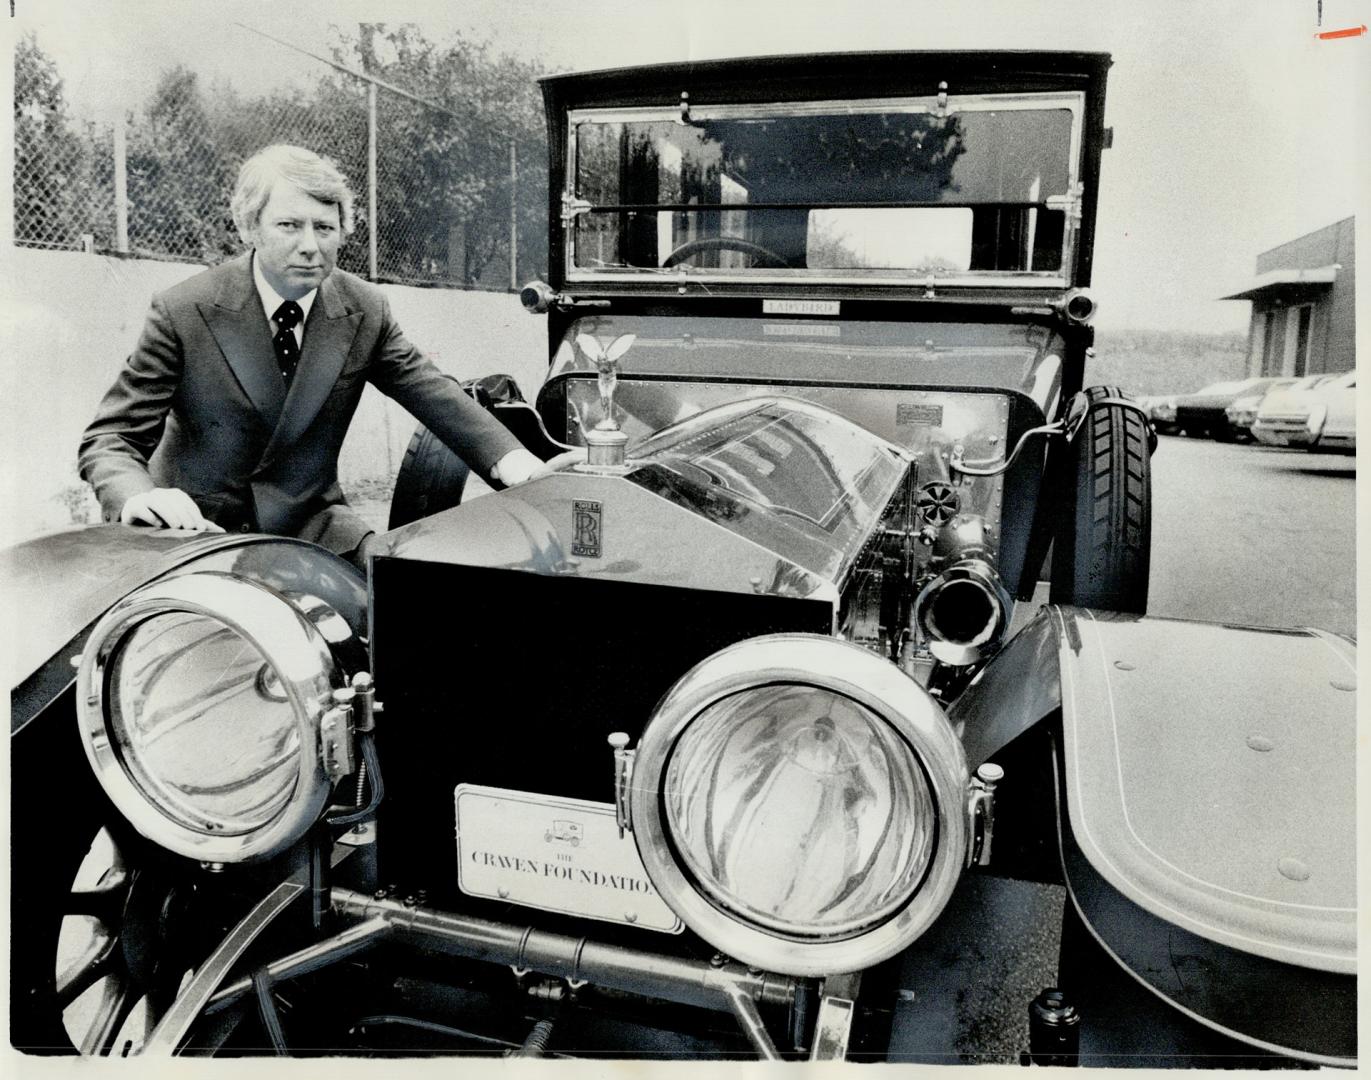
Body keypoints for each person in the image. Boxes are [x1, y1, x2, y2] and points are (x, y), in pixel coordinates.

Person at [78, 143, 561, 567]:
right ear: (250, 226)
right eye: (289, 225)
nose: (310, 246)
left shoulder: (363, 309)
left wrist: (518, 466)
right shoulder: (183, 309)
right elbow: (111, 439)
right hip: (197, 533)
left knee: (403, 612)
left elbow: (433, 393)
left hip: (315, 526)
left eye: (325, 228)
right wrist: (141, 497)